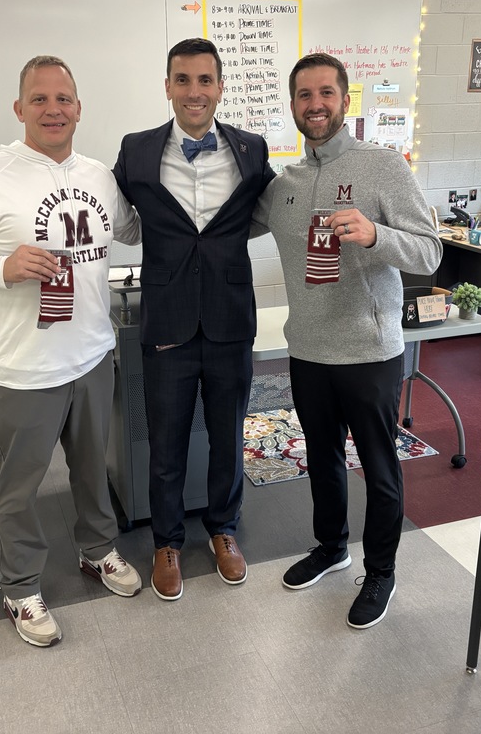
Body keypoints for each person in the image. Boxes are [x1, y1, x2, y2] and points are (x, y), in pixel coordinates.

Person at [0, 56, 143, 648]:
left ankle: (97, 551)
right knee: (19, 485)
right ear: (19, 109)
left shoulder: (99, 176)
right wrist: (1, 267)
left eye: (64, 99)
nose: (53, 109)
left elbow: (133, 229)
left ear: (79, 108)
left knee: (94, 469)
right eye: (40, 99)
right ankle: (20, 586)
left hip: (94, 354)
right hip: (26, 367)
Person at [256, 52, 442, 629]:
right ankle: (332, 547)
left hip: (369, 352)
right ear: (292, 105)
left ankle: (380, 570)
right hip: (308, 350)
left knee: (381, 468)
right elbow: (227, 222)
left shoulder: (382, 166)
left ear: (345, 100)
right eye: (304, 95)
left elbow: (430, 250)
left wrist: (375, 234)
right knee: (322, 458)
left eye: (326, 94)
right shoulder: (282, 184)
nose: (315, 105)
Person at [113, 38, 275, 600]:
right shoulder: (135, 151)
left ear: (221, 86)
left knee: (230, 436)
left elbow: (253, 218)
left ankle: (224, 530)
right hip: (168, 321)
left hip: (231, 317)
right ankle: (167, 541)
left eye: (205, 80)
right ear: (167, 87)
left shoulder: (252, 150)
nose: (194, 92)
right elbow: (124, 223)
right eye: (183, 80)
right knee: (166, 441)